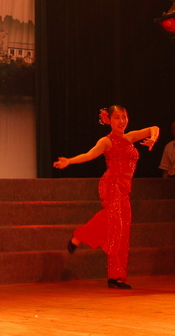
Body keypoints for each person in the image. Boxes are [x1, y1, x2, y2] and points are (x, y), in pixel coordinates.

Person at [53, 105, 159, 289]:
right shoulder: (106, 141)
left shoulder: (130, 137)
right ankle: (80, 237)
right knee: (115, 224)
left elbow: (153, 128)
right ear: (109, 120)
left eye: (124, 117)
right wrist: (69, 161)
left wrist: (153, 139)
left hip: (125, 188)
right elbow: (89, 155)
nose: (121, 121)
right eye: (117, 117)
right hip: (112, 184)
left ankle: (116, 277)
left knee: (122, 231)